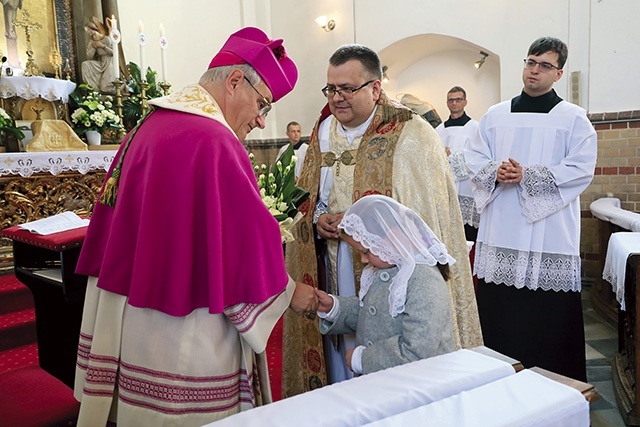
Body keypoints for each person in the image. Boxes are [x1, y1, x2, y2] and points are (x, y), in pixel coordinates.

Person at [73, 27, 318, 426]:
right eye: (263, 104)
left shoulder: (146, 125)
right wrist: (291, 292)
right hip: (185, 326)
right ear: (235, 81)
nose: (260, 120)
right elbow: (241, 246)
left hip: (129, 313)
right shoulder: (215, 140)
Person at [283, 44, 482, 397]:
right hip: (331, 259)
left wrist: (370, 228)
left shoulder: (411, 133)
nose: (337, 98)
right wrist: (318, 220)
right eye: (331, 89)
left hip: (387, 268)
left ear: (375, 88)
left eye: (348, 88)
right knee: (337, 341)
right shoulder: (322, 129)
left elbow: (426, 214)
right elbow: (309, 195)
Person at [465, 37, 597, 382]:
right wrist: (496, 171)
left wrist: (528, 175)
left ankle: (554, 389)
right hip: (501, 231)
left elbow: (581, 168)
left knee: (546, 324)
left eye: (544, 65)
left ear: (559, 74)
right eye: (530, 62)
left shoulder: (574, 119)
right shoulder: (495, 115)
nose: (534, 70)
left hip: (550, 236)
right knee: (501, 321)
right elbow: (473, 157)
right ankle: (496, 387)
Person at [315, 195, 456, 375]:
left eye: (366, 251)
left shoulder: (424, 280)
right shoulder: (381, 269)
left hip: (417, 385)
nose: (363, 259)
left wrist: (362, 359)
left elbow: (417, 351)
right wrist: (335, 307)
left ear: (392, 237)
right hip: (387, 382)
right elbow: (373, 316)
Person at [435, 86, 480, 242]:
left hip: (467, 187)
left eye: (458, 99)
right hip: (444, 187)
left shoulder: (475, 128)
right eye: (451, 100)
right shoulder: (438, 130)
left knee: (468, 235)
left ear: (465, 102)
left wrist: (451, 157)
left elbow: (478, 157)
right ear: (447, 103)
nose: (454, 103)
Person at [81, 17, 115, 93]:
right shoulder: (91, 42)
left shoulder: (106, 39)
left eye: (89, 30)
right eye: (87, 31)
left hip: (109, 62)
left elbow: (113, 53)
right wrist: (93, 47)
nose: (88, 32)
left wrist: (102, 46)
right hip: (100, 63)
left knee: (105, 87)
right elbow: (89, 56)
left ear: (93, 29)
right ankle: (93, 89)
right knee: (85, 64)